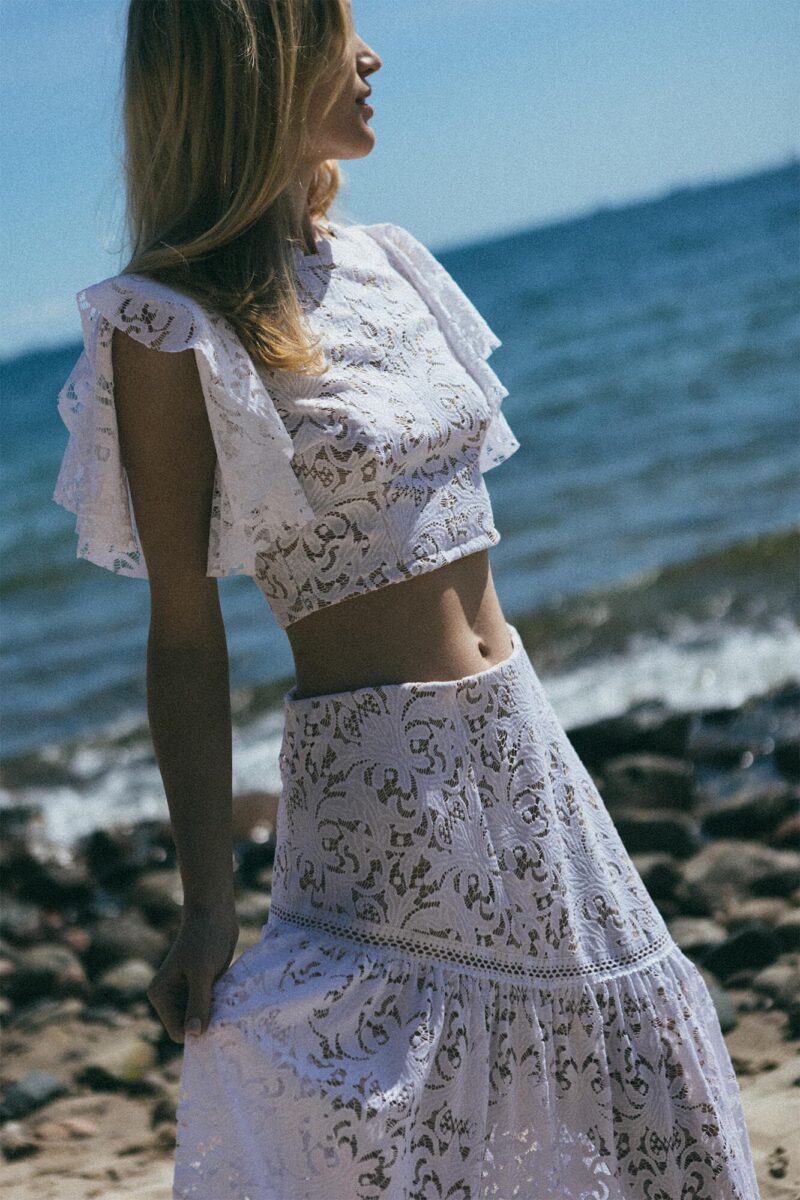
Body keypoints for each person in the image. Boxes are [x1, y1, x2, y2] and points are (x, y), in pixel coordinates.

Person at [53, 1, 760, 1197]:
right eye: (335, 31)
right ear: (254, 68)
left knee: (648, 1088)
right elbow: (184, 633)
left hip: (525, 750)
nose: (369, 55)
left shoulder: (385, 260)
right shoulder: (167, 323)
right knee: (423, 1139)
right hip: (383, 801)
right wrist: (206, 906)